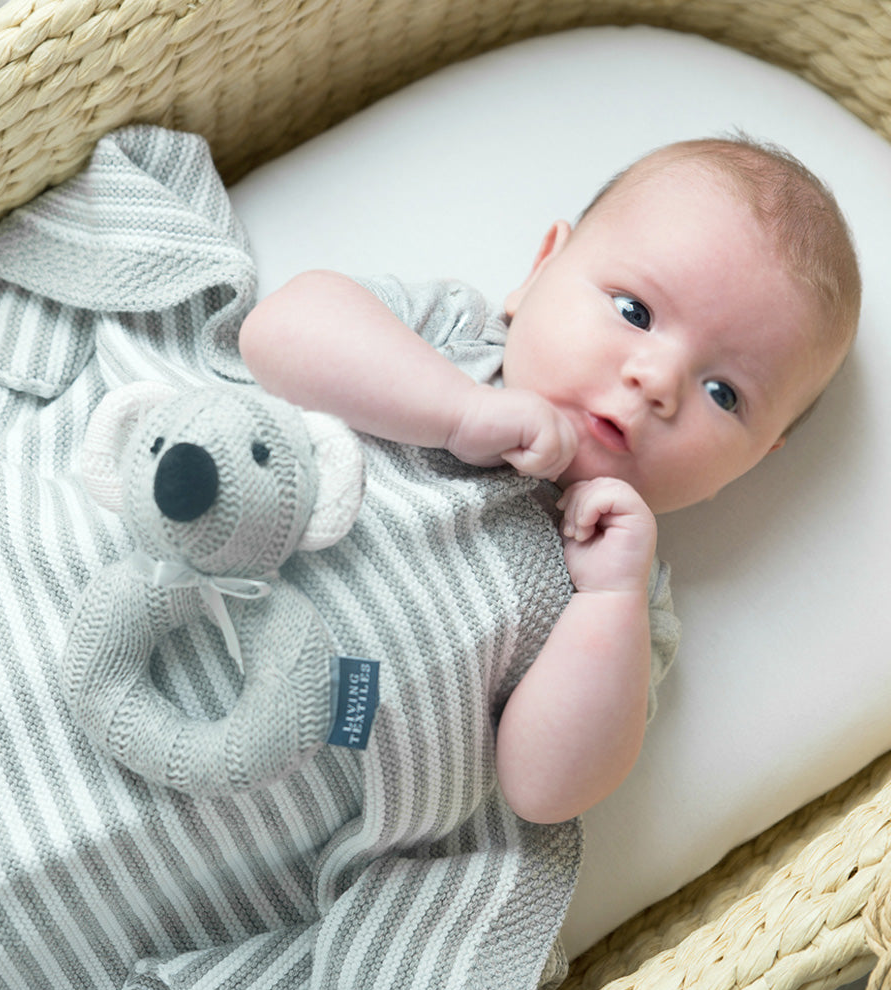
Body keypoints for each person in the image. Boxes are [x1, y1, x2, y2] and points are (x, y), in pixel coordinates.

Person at [239, 135, 861, 826]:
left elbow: (543, 792)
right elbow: (273, 333)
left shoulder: (621, 603)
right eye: (635, 313)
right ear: (539, 270)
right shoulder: (445, 342)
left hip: (262, 819)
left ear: (753, 460)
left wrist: (610, 597)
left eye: (724, 393)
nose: (656, 382)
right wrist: (456, 410)